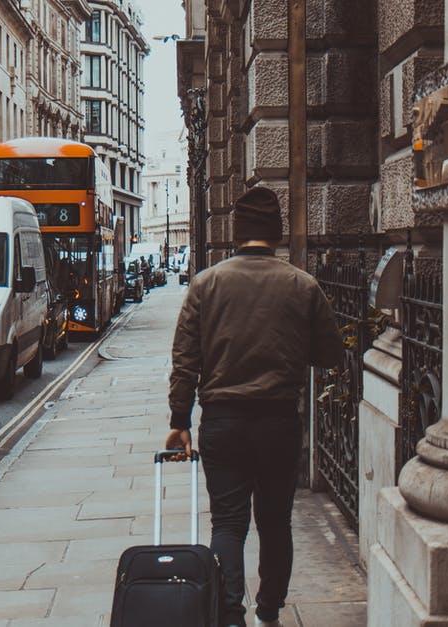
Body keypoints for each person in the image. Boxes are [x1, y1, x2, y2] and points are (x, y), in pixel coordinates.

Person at [165, 186, 344, 627]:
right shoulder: (302, 285)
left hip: (223, 423)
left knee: (227, 524)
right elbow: (331, 355)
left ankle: (229, 614)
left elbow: (185, 360)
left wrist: (179, 420)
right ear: (277, 233)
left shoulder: (207, 284)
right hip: (279, 423)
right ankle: (269, 613)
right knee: (275, 522)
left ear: (236, 232)